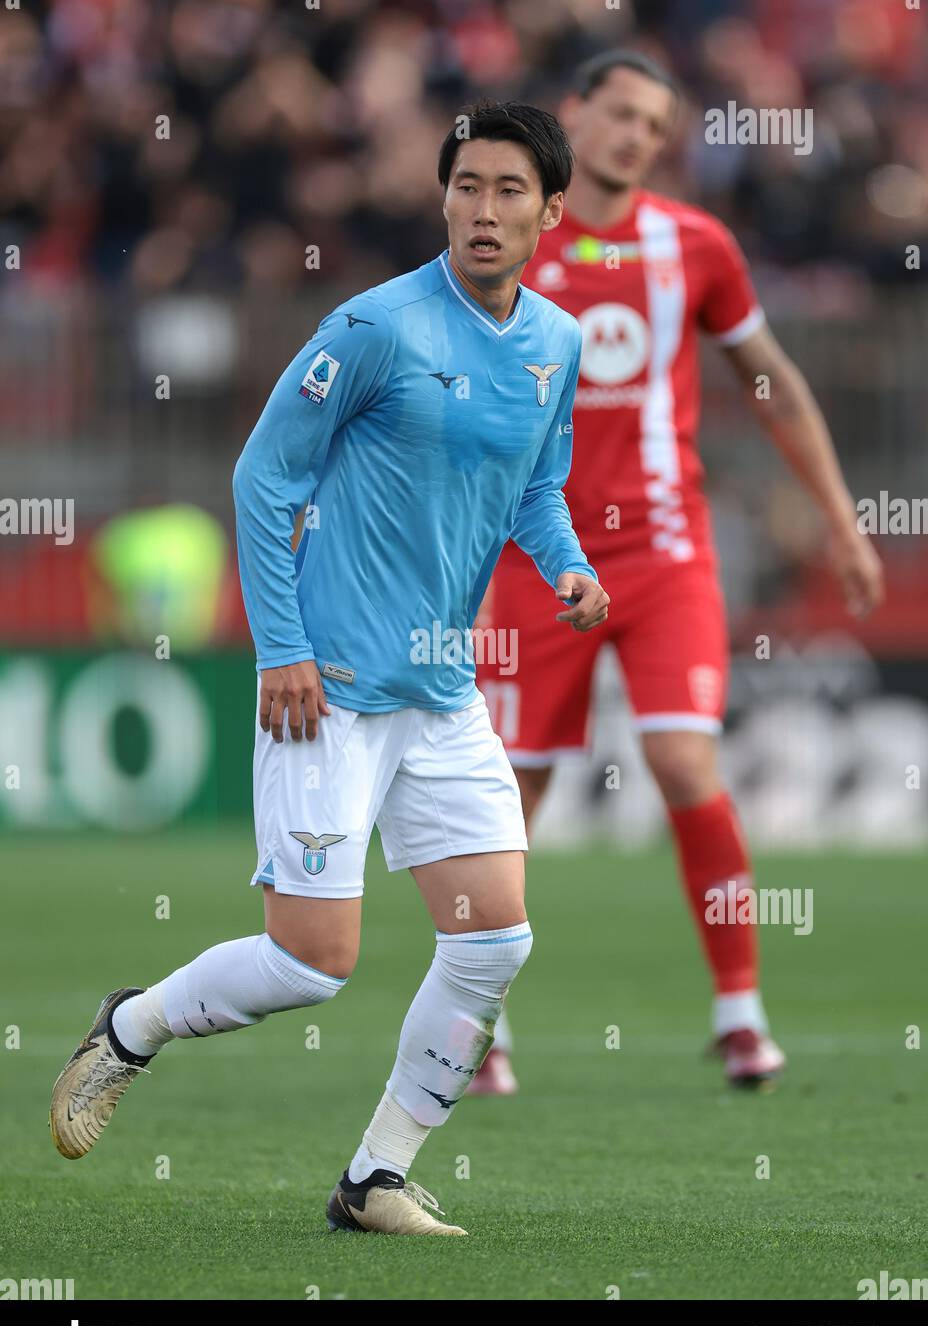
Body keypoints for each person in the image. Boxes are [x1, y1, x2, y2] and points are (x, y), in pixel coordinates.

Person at [49, 101, 609, 1235]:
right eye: (466, 186)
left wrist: (569, 567)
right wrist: (285, 647)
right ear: (441, 196)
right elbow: (265, 478)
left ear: (552, 212)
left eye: (509, 190)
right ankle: (131, 1028)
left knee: (494, 935)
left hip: (441, 693)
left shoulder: (556, 343)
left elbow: (535, 489)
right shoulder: (375, 325)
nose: (483, 209)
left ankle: (375, 1178)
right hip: (333, 689)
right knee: (313, 964)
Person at [473, 52, 883, 1095]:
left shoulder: (694, 245)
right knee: (510, 790)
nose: (632, 135)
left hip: (664, 551)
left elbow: (773, 385)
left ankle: (740, 1013)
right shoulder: (509, 238)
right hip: (534, 557)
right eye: (617, 113)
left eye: (653, 124)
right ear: (574, 114)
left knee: (685, 766)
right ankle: (481, 1024)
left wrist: (841, 521)